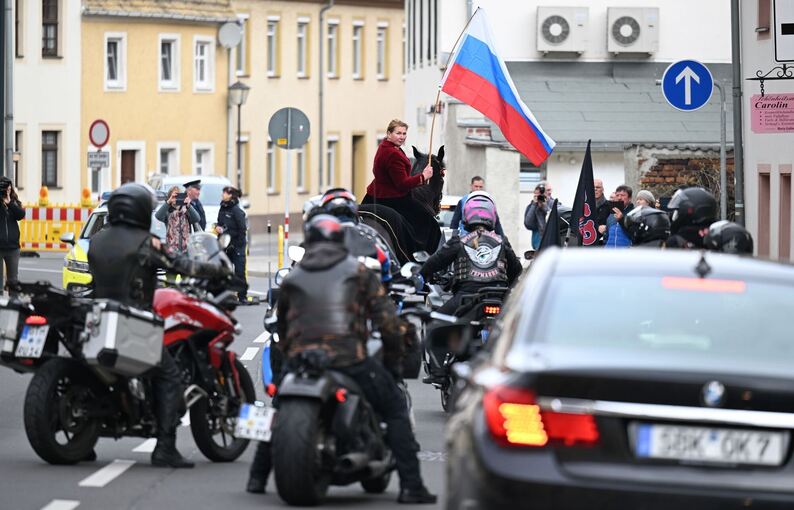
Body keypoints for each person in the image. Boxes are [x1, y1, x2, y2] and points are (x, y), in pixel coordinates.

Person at [248, 214, 437, 504]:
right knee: (395, 408)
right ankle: (412, 486)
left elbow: (282, 325)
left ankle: (257, 479)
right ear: (341, 242)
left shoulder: (293, 277)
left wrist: (291, 356)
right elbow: (386, 321)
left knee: (279, 406)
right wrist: (397, 348)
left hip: (303, 360)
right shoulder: (358, 272)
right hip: (347, 359)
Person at [88, 183, 230, 468]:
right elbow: (179, 264)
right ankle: (165, 447)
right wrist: (215, 268)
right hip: (133, 322)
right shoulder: (145, 241)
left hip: (99, 317)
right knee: (170, 375)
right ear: (140, 209)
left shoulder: (98, 239)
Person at [420, 191, 522, 317]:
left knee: (434, 324)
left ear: (466, 215)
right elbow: (517, 271)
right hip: (499, 297)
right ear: (493, 215)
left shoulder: (459, 241)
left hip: (466, 297)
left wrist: (421, 275)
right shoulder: (502, 241)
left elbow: (434, 263)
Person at [360, 120, 438, 251]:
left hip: (374, 195)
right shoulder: (393, 154)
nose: (402, 137)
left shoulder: (385, 146)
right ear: (389, 134)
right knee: (430, 223)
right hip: (393, 198)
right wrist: (423, 176)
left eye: (404, 133)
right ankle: (421, 255)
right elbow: (402, 184)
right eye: (398, 133)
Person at [317, 187, 396, 284]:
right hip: (366, 291)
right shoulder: (369, 234)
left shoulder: (319, 236)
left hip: (348, 291)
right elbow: (389, 265)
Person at [215, 186, 248, 301]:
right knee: (224, 272)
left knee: (239, 272)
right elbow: (220, 223)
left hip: (237, 245)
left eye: (225, 192)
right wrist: (218, 228)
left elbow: (242, 229)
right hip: (225, 245)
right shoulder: (222, 208)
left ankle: (242, 296)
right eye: (223, 192)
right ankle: (225, 296)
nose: (223, 194)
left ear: (231, 195)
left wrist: (236, 243)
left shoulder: (237, 211)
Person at [155, 186, 201, 255]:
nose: (176, 198)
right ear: (169, 197)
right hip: (171, 250)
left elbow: (197, 218)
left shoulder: (187, 210)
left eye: (178, 196)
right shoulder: (167, 211)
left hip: (187, 250)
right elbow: (158, 216)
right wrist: (168, 202)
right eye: (174, 196)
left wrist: (189, 205)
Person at [0, 177, 24, 293]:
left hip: (13, 248)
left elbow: (20, 215)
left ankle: (13, 306)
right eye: (5, 189)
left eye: (9, 189)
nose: (7, 191)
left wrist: (10, 203)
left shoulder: (14, 201)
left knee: (13, 281)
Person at [524, 183, 554, 250]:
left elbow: (553, 219)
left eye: (550, 190)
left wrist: (544, 206)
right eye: (547, 190)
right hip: (538, 245)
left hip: (551, 243)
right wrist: (534, 205)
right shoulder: (531, 206)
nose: (549, 192)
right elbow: (528, 224)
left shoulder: (554, 204)